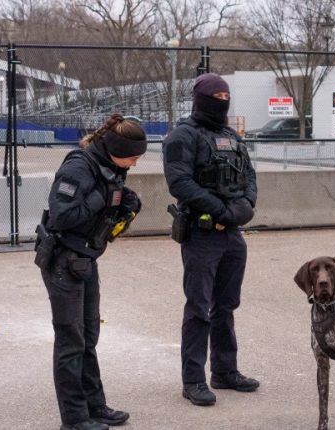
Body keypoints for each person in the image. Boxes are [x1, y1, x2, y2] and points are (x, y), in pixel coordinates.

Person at [37, 113, 146, 430]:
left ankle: (94, 406)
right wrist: (105, 197)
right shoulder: (78, 167)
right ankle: (74, 418)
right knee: (71, 341)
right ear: (114, 147)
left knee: (88, 336)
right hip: (63, 261)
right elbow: (62, 216)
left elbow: (107, 205)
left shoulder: (110, 168)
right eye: (132, 157)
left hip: (85, 258)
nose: (134, 164)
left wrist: (125, 202)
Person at [162, 73, 260, 407]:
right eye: (215, 97)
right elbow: (179, 183)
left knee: (227, 307)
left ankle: (225, 371)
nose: (221, 101)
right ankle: (193, 380)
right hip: (202, 235)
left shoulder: (232, 137)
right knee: (198, 309)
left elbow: (249, 175)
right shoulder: (181, 137)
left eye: (225, 96)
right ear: (200, 99)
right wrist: (220, 209)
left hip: (232, 235)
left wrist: (245, 207)